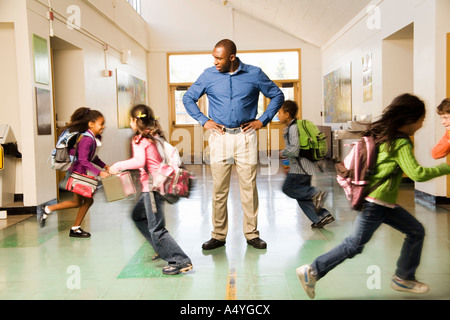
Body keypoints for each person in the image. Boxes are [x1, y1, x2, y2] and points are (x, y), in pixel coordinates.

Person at [296, 93, 450, 299]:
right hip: (375, 203)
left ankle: (403, 277)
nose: (422, 124)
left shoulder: (383, 134)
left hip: (382, 203)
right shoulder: (400, 143)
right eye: (422, 119)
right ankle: (312, 270)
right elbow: (417, 174)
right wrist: (446, 168)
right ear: (410, 119)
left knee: (416, 231)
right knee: (354, 245)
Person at [183, 39, 285, 250]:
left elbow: (277, 95)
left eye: (219, 58)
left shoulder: (254, 74)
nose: (215, 62)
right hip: (219, 137)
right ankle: (218, 235)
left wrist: (262, 120)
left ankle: (252, 234)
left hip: (246, 136)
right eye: (213, 57)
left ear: (232, 57)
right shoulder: (208, 75)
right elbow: (188, 98)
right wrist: (204, 121)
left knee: (249, 188)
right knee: (219, 189)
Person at [109, 105, 192, 275]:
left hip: (152, 188)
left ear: (134, 120)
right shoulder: (155, 135)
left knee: (157, 228)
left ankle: (180, 260)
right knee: (137, 216)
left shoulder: (140, 138)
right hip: (156, 185)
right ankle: (163, 248)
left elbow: (139, 162)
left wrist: (116, 165)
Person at [41, 107, 110, 238]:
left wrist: (104, 166)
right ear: (91, 124)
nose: (103, 126)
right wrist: (99, 173)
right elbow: (84, 160)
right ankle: (75, 228)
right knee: (88, 201)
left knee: (78, 202)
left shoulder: (90, 137)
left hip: (77, 173)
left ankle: (48, 210)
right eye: (101, 124)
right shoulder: (87, 139)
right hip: (77, 174)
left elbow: (91, 157)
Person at [278, 100, 334, 228]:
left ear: (287, 114)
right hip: (303, 166)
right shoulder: (293, 126)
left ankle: (315, 192)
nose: (278, 115)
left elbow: (294, 149)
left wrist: (280, 153)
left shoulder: (293, 128)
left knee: (287, 189)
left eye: (280, 112)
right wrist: (287, 163)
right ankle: (321, 217)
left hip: (300, 168)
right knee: (302, 196)